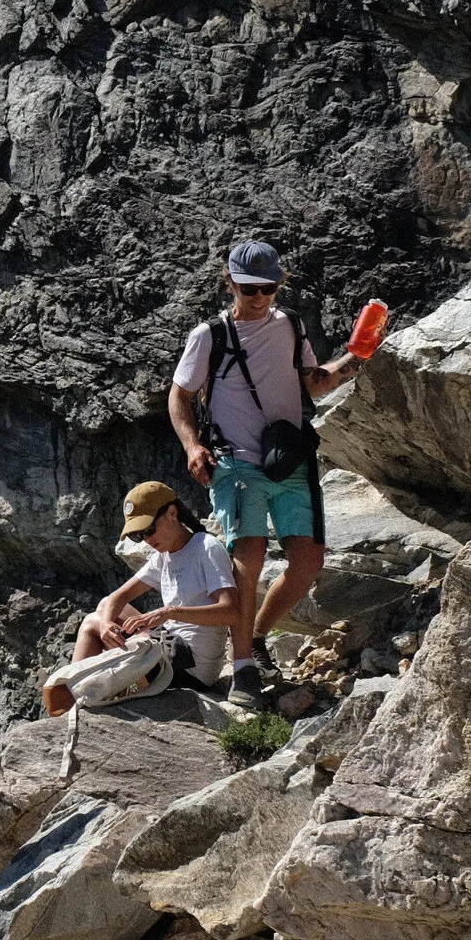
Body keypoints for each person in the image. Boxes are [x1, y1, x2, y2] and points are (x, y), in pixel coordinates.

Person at [168, 241, 359, 708]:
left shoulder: (290, 325)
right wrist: (193, 446)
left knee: (308, 563)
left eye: (268, 287)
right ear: (230, 282)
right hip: (235, 462)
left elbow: (313, 381)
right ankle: (244, 668)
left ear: (280, 283)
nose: (259, 296)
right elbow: (179, 396)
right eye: (249, 288)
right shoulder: (210, 335)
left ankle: (253, 635)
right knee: (248, 556)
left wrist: (356, 356)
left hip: (289, 457)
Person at [50, 481, 238, 714]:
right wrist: (108, 624)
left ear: (172, 513)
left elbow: (231, 611)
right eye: (140, 536)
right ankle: (89, 689)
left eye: (149, 530)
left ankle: (70, 698)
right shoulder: (164, 556)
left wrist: (169, 612)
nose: (148, 540)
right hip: (170, 648)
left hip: (191, 665)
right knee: (104, 609)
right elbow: (118, 596)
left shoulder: (205, 548)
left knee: (90, 623)